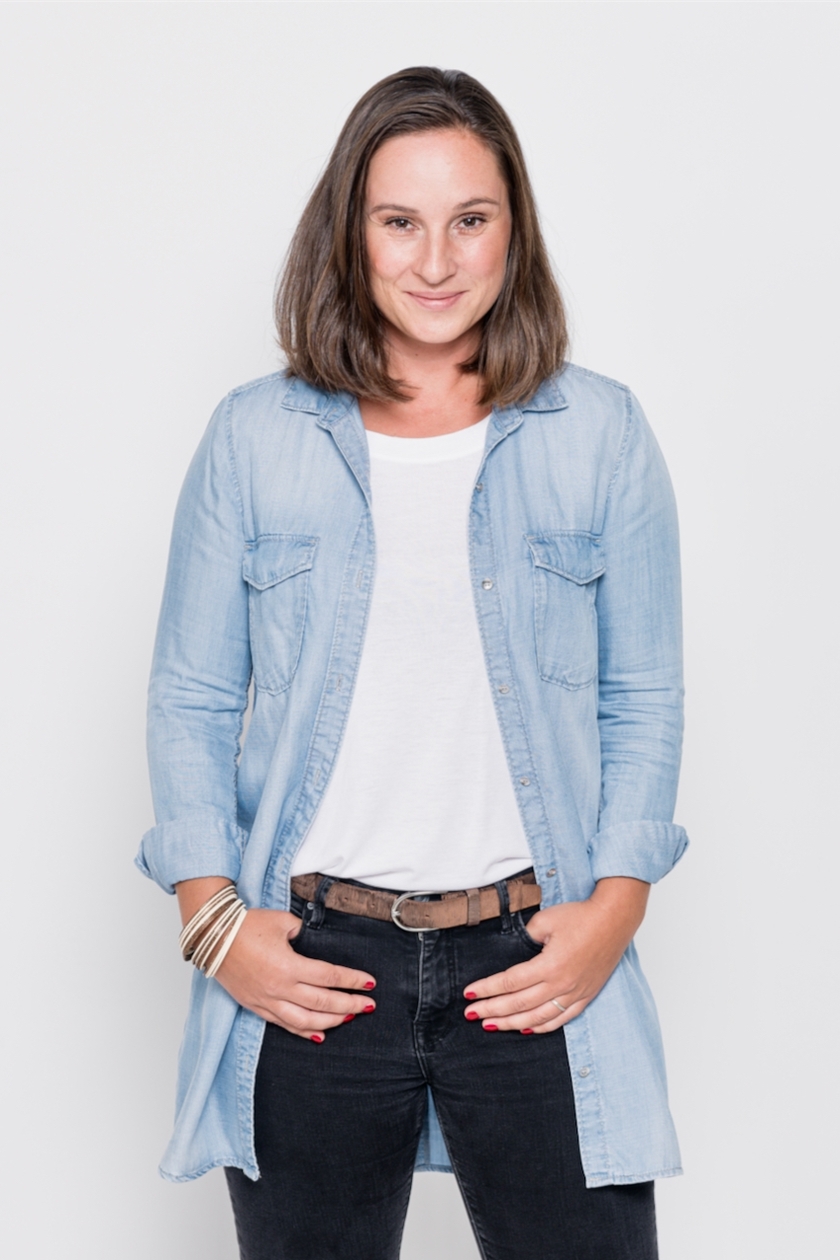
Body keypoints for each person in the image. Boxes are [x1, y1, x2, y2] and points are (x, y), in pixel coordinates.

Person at [137, 66, 689, 1260]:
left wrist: (617, 909)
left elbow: (642, 694)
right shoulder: (253, 439)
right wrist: (213, 922)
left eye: (469, 219)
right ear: (352, 231)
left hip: (536, 955)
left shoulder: (600, 433)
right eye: (400, 221)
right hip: (315, 964)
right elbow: (191, 697)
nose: (436, 261)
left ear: (513, 230)